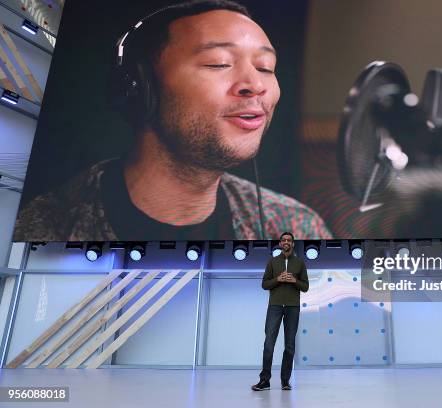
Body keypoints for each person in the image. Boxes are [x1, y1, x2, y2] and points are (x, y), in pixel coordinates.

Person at [13, 0, 331, 242]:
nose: (256, 84)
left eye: (265, 67)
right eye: (219, 63)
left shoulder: (295, 228)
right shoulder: (42, 230)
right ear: (140, 87)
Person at [252, 231, 307, 391]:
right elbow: (264, 284)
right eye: (283, 240)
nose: (286, 242)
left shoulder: (300, 263)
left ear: (293, 243)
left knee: (289, 345)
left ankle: (285, 381)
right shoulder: (272, 262)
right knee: (269, 343)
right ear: (280, 243)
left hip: (293, 307)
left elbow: (306, 286)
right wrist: (278, 279)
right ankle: (265, 381)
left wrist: (294, 280)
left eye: (289, 240)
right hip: (275, 306)